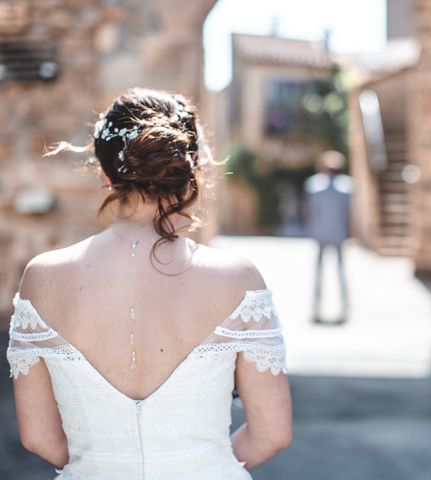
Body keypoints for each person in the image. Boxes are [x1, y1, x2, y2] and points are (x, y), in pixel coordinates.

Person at [5, 88, 292, 479]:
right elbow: (271, 434)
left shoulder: (43, 276)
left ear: (105, 171)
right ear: (192, 169)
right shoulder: (238, 279)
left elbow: (38, 437)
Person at [303, 150, 354, 324]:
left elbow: (311, 213)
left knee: (323, 272)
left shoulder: (314, 186)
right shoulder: (346, 187)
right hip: (336, 234)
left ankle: (319, 307)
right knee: (337, 272)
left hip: (322, 234)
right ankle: (343, 307)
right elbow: (348, 214)